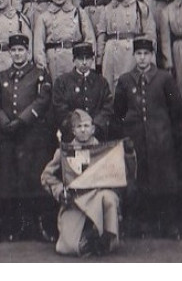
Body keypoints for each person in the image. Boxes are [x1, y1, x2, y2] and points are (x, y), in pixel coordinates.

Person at [111, 36, 182, 240]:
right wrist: (125, 136)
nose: (142, 58)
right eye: (138, 54)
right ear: (134, 56)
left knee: (165, 183)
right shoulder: (125, 80)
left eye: (146, 54)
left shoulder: (164, 79)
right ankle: (142, 225)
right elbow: (118, 112)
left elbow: (175, 109)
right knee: (139, 184)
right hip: (137, 141)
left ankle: (170, 226)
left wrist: (170, 134)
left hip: (161, 140)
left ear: (152, 56)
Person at [0, 33, 53, 242]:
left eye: (21, 50)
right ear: (10, 52)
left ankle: (39, 225)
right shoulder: (1, 76)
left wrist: (22, 120)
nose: (17, 54)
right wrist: (3, 121)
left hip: (31, 135)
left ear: (27, 52)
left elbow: (42, 101)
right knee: (11, 181)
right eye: (14, 50)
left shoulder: (39, 74)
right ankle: (17, 226)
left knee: (33, 180)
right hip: (8, 135)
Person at [40, 108, 122, 257]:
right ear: (73, 130)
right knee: (67, 248)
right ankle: (88, 238)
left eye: (86, 126)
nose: (83, 130)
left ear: (93, 129)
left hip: (98, 199)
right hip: (75, 202)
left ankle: (105, 237)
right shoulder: (64, 151)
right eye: (79, 127)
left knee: (109, 197)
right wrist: (60, 191)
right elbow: (46, 176)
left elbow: (116, 175)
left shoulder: (102, 151)